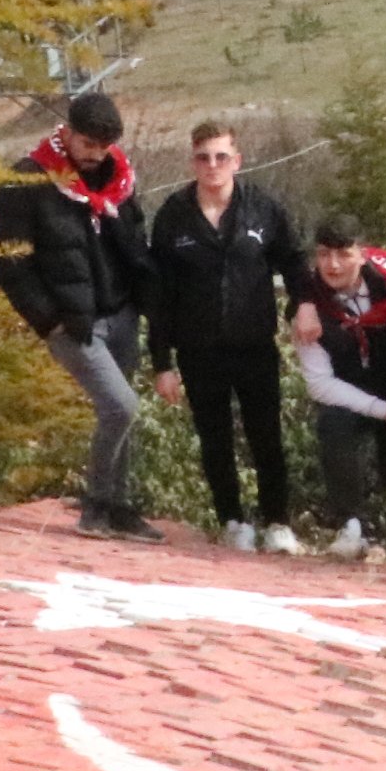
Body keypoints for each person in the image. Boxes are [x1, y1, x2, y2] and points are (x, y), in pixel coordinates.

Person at [0, 90, 161, 542]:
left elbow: (135, 240)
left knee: (120, 412)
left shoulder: (119, 179)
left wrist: (145, 298)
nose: (95, 155)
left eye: (104, 147)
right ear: (67, 133)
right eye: (87, 144)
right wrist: (48, 320)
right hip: (72, 320)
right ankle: (95, 507)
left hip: (120, 311)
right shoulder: (27, 179)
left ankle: (119, 507)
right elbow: (9, 262)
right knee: (121, 405)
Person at [145, 121, 302, 550]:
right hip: (199, 350)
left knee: (266, 434)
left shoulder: (262, 209)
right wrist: (162, 363)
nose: (212, 165)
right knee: (215, 438)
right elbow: (158, 294)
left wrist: (302, 307)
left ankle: (277, 522)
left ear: (237, 160)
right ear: (192, 161)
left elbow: (295, 262)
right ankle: (232, 521)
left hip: (254, 345)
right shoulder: (173, 216)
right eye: (203, 157)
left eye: (220, 156)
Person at [291, 215, 386, 562]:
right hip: (349, 391)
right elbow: (319, 384)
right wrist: (385, 410)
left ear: (363, 254)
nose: (333, 265)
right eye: (324, 254)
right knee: (334, 425)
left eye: (343, 254)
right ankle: (350, 524)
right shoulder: (307, 304)